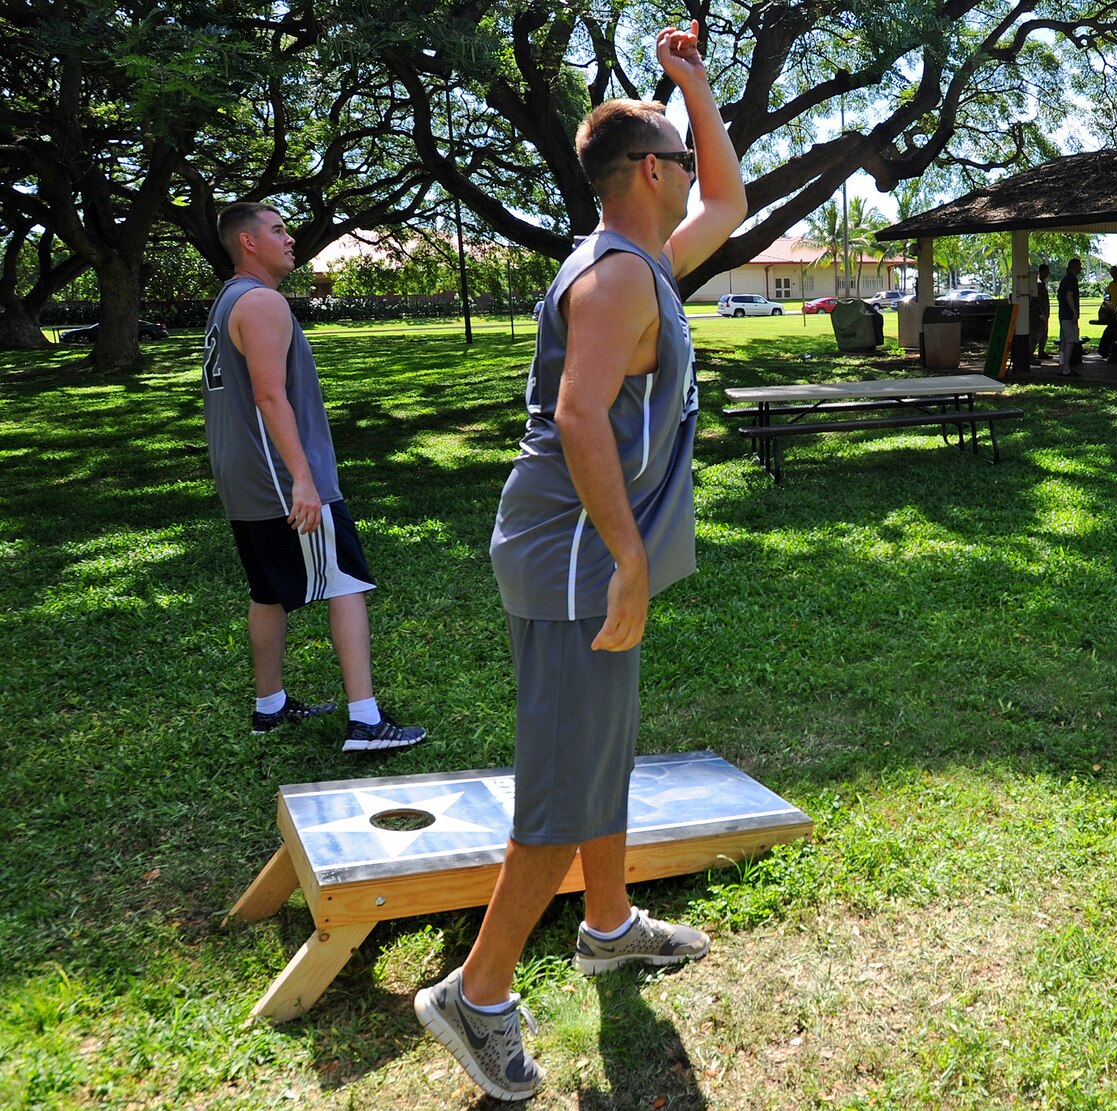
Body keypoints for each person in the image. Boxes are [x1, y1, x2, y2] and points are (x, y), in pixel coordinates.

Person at [413, 24, 747, 1102]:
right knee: (559, 788)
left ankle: (605, 926)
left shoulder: (644, 261)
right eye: (684, 156)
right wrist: (627, 561)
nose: (697, 172)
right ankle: (475, 993)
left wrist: (692, 89)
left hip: (587, 556)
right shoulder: (615, 281)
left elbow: (729, 208)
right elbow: (577, 417)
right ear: (648, 173)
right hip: (573, 562)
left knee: (600, 749)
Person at [202, 202, 427, 753]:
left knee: (267, 592)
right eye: (278, 230)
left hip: (244, 479)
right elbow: (268, 395)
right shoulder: (261, 302)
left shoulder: (227, 301)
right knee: (345, 582)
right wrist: (304, 480)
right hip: (282, 478)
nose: (290, 238)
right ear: (248, 243)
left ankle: (270, 706)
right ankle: (365, 721)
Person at [1056, 257, 1082, 374]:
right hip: (1069, 315)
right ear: (1074, 267)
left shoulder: (1064, 280)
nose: (1081, 268)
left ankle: (1061, 366)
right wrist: (1075, 312)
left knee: (1063, 341)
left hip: (1062, 314)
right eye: (1079, 266)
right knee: (1070, 341)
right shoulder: (1072, 280)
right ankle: (1066, 368)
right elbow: (1069, 295)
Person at [1030, 262, 1050, 361]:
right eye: (1046, 271)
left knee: (1044, 333)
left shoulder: (1042, 284)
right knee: (1037, 334)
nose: (1048, 274)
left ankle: (1041, 351)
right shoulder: (1037, 285)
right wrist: (1041, 313)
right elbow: (1037, 300)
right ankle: (1030, 352)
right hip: (1040, 314)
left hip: (1045, 313)